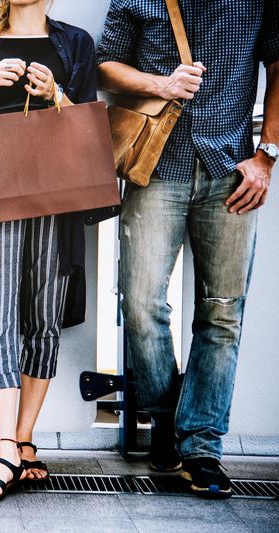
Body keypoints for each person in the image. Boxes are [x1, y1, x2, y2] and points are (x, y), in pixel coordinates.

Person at [98, 0, 278, 499]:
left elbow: (278, 62)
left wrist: (267, 155)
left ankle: (200, 447)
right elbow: (105, 63)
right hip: (155, 167)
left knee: (222, 313)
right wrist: (160, 84)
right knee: (140, 304)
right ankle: (167, 419)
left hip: (232, 168)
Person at [0, 0, 97, 503]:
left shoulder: (74, 42)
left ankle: (25, 438)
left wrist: (56, 93)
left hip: (57, 189)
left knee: (45, 314)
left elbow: (89, 124)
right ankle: (4, 448)